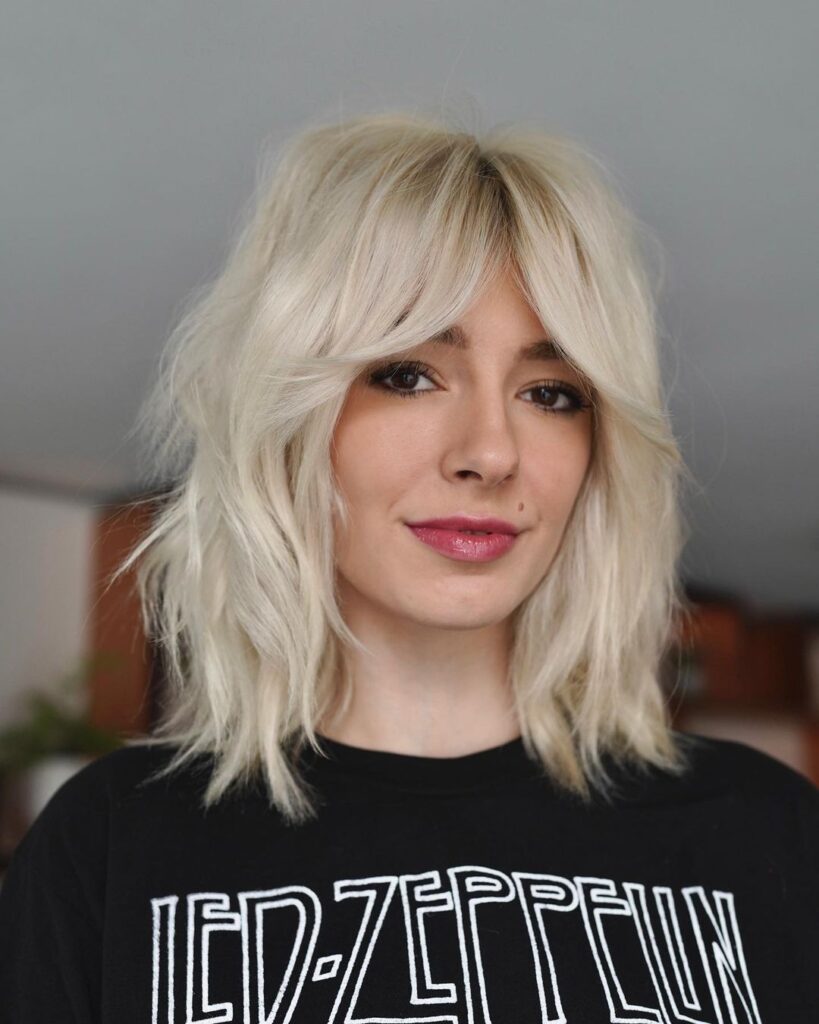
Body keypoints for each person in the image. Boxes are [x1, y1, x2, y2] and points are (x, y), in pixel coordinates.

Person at [1, 110, 817, 1022]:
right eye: (407, 373)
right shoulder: (113, 842)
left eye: (549, 394)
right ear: (292, 414)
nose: (490, 452)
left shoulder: (765, 832)